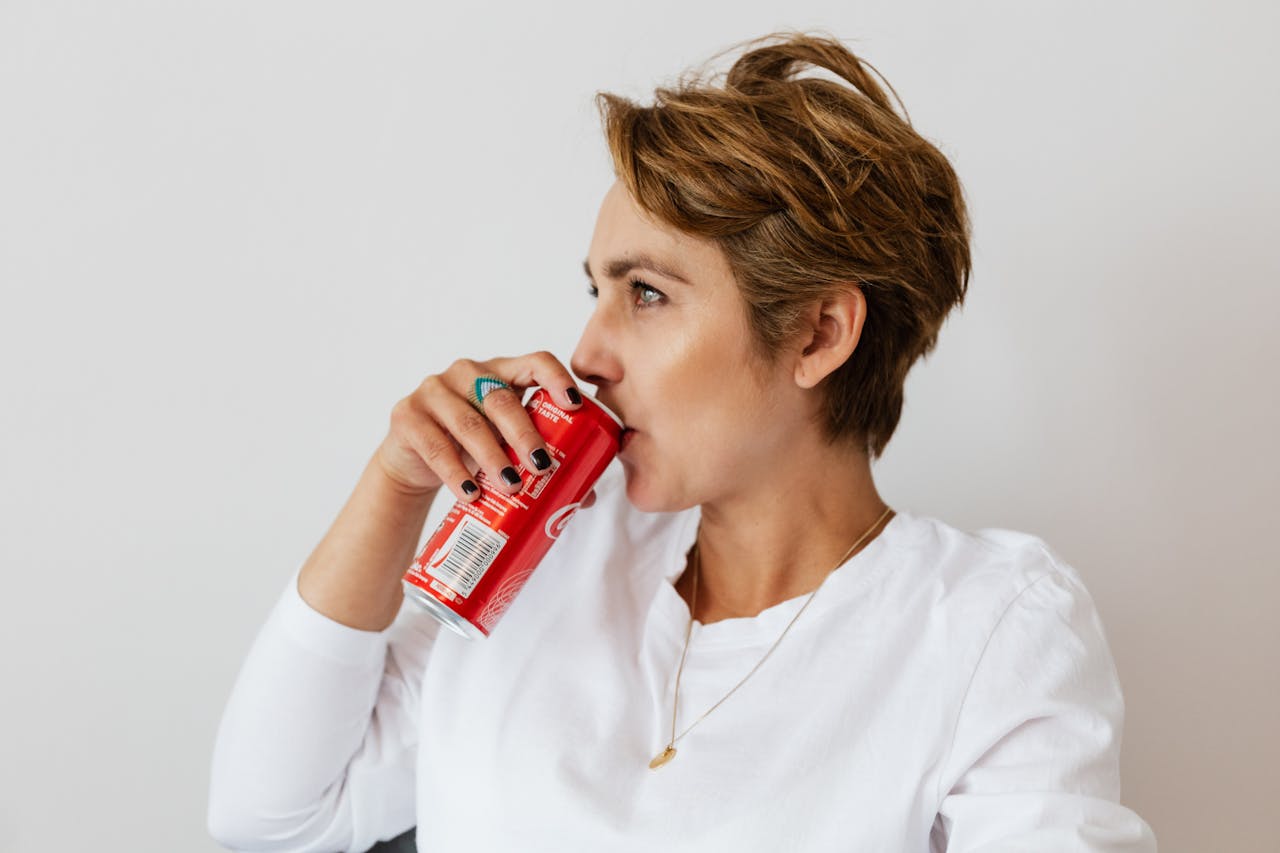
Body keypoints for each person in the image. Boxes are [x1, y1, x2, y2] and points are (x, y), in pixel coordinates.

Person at [208, 31, 1158, 852]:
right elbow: (274, 813)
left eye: (647, 293)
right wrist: (396, 484)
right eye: (597, 290)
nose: (588, 353)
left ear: (819, 333)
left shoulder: (988, 628)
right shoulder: (551, 553)